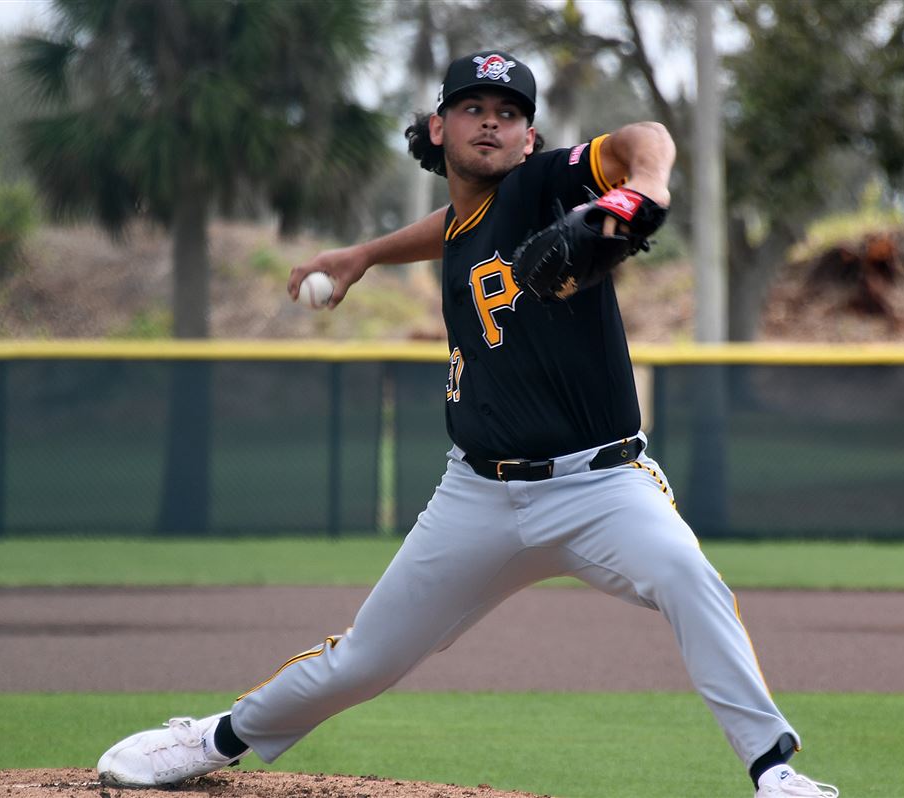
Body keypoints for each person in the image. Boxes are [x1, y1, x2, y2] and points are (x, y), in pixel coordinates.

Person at [97, 50, 839, 798]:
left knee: (687, 576)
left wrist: (643, 189)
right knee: (365, 660)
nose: (491, 123)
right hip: (477, 497)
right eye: (473, 108)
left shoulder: (543, 186)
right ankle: (212, 739)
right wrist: (365, 254)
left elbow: (646, 137)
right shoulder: (465, 223)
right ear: (438, 126)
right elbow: (451, 228)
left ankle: (773, 770)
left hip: (602, 484)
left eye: (509, 114)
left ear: (530, 138)